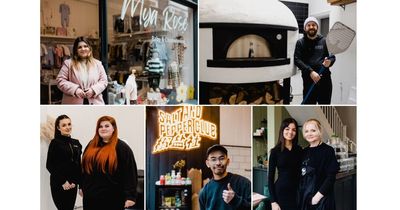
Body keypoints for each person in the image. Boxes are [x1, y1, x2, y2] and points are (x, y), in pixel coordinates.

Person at [81, 116, 138, 210]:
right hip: (90, 198)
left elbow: (130, 172)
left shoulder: (122, 147)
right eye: (100, 126)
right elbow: (83, 168)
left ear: (113, 129)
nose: (103, 128)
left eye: (107, 126)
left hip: (112, 198)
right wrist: (81, 186)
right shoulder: (91, 145)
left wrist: (130, 196)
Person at [298, 119, 339, 210]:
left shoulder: (328, 150)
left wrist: (316, 199)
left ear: (320, 131)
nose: (309, 133)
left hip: (321, 200)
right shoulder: (304, 151)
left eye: (313, 130)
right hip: (305, 199)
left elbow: (331, 177)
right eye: (306, 131)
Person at [294, 17, 336, 104]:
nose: (311, 27)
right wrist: (311, 72)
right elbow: (297, 60)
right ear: (305, 28)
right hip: (309, 81)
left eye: (313, 25)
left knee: (325, 106)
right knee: (309, 105)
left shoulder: (325, 41)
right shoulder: (300, 42)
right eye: (308, 25)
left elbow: (332, 57)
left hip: (325, 81)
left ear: (317, 27)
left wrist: (329, 62)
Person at [57, 36, 108, 104]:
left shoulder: (98, 64)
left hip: (95, 103)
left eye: (85, 46)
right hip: (73, 104)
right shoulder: (68, 63)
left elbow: (104, 81)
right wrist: (75, 90)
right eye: (79, 47)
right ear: (76, 50)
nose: (83, 49)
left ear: (89, 48)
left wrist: (93, 90)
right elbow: (60, 80)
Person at [46, 115, 82, 210]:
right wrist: (63, 181)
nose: (68, 127)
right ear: (58, 128)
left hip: (73, 183)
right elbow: (50, 165)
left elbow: (79, 165)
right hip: (59, 183)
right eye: (64, 125)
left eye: (69, 124)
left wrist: (76, 182)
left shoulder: (76, 143)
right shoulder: (55, 143)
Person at [199, 144, 251, 210]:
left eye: (222, 158)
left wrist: (235, 200)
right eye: (213, 159)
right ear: (208, 163)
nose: (218, 163)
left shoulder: (244, 183)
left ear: (228, 161)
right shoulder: (204, 192)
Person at [268, 118, 303, 210]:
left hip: (297, 193)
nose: (290, 132)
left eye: (294, 130)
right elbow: (270, 178)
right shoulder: (275, 151)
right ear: (282, 130)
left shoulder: (299, 150)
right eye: (287, 129)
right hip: (280, 193)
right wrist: (273, 201)